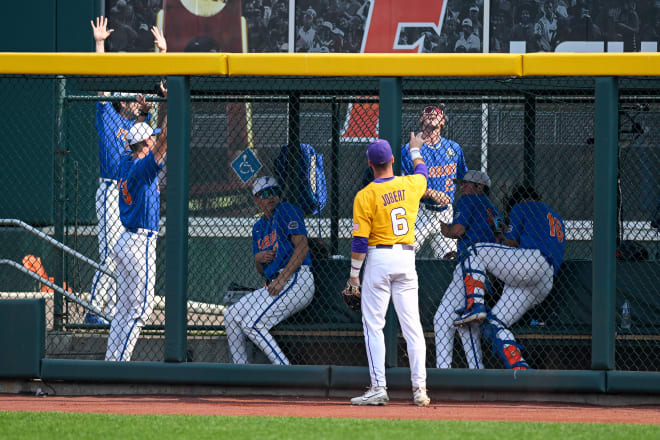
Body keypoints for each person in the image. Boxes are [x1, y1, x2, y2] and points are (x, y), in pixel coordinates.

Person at [86, 16, 167, 325]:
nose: (136, 100)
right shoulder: (109, 114)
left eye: (137, 100)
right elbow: (102, 83)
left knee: (121, 254)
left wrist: (162, 54)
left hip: (129, 189)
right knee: (110, 253)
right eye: (131, 99)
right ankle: (95, 310)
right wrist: (99, 44)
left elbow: (159, 99)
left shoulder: (139, 126)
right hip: (110, 188)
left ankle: (116, 309)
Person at [349, 135, 431, 407]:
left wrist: (353, 274)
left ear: (370, 164)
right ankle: (419, 389)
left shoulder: (365, 195)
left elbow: (360, 241)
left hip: (379, 258)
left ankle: (379, 387)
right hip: (407, 259)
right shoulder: (411, 184)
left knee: (374, 325)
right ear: (393, 160)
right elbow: (422, 170)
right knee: (412, 327)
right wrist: (415, 149)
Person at [451, 185, 565, 369]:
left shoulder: (523, 206)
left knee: (473, 250)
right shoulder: (556, 217)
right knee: (494, 324)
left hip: (528, 262)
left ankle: (475, 304)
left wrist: (500, 237)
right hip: (544, 281)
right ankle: (519, 367)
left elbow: (511, 243)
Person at [105, 87, 168, 361]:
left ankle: (111, 362)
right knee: (140, 310)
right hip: (139, 243)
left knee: (124, 309)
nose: (154, 142)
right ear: (144, 146)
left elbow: (137, 139)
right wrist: (170, 101)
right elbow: (165, 139)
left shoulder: (124, 160)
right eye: (149, 141)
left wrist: (144, 114)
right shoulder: (142, 168)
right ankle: (120, 364)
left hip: (125, 241)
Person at [223, 176, 315, 365]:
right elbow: (260, 271)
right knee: (231, 315)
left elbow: (303, 247)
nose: (271, 197)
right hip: (275, 282)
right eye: (265, 194)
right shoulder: (258, 228)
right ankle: (242, 370)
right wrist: (257, 259)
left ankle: (284, 369)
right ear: (256, 199)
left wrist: (281, 279)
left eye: (274, 192)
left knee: (252, 324)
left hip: (297, 279)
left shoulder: (286, 210)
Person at [433, 170, 502, 369]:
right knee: (465, 321)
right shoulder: (493, 208)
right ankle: (476, 369)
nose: (462, 187)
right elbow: (498, 238)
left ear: (479, 187)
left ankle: (443, 371)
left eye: (467, 184)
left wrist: (444, 227)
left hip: (470, 267)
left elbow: (457, 231)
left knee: (442, 318)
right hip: (489, 268)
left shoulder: (468, 200)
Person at [401, 105, 467, 260]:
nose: (431, 114)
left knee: (450, 259)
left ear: (443, 121)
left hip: (446, 212)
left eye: (436, 112)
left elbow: (463, 180)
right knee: (404, 256)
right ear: (420, 119)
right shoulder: (409, 149)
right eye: (426, 112)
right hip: (419, 210)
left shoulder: (454, 148)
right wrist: (430, 192)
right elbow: (403, 185)